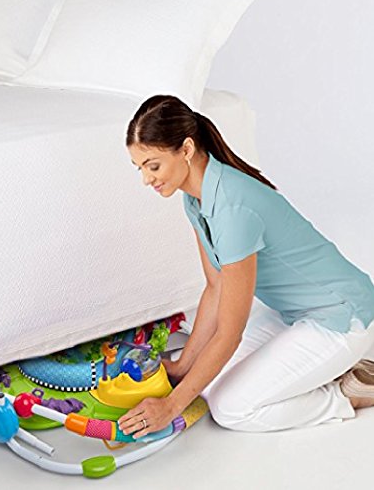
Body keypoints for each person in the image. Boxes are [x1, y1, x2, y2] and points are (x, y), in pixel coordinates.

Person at [117, 94, 374, 438]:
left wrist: (171, 406)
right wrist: (181, 367)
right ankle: (327, 368)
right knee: (208, 385)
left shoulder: (233, 210)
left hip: (341, 317)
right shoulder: (194, 199)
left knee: (231, 408)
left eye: (153, 166)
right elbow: (216, 287)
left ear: (187, 149)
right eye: (140, 168)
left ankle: (345, 393)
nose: (146, 180)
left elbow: (229, 333)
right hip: (293, 313)